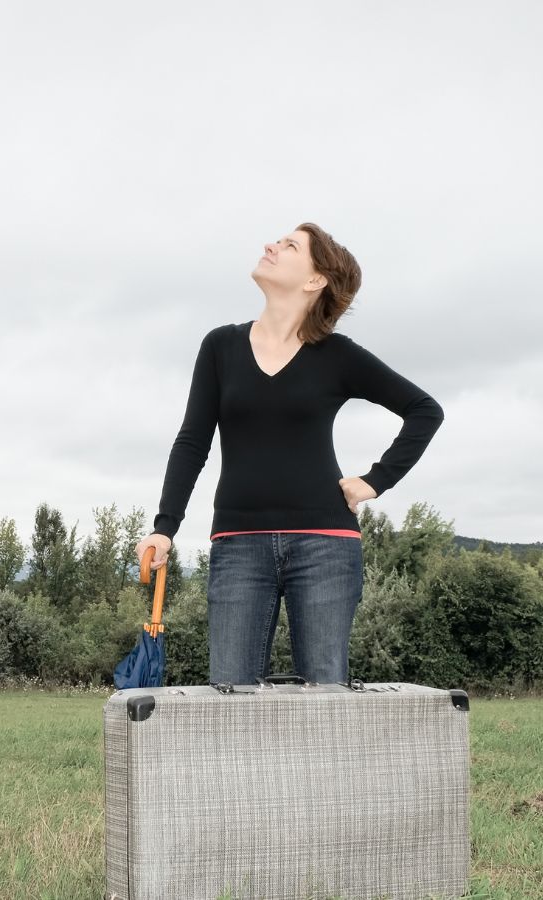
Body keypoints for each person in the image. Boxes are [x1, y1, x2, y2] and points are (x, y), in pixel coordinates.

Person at [133, 223, 444, 686]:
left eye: (290, 245)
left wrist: (375, 481)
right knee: (231, 698)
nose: (271, 246)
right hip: (237, 545)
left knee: (324, 701)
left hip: (326, 545)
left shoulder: (338, 355)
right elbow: (193, 441)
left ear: (316, 279)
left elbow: (424, 410)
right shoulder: (221, 346)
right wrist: (165, 527)